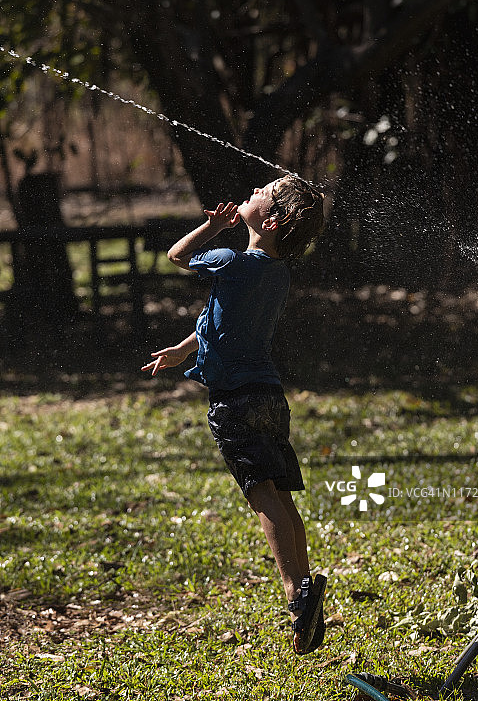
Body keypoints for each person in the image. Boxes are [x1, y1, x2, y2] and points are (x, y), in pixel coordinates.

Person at [142, 174, 326, 654]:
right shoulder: (276, 274)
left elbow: (176, 257)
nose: (249, 194)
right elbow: (225, 321)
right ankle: (305, 582)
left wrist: (212, 229)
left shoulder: (230, 261)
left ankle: (295, 592)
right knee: (281, 494)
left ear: (271, 219)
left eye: (258, 194)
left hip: (234, 402)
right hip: (269, 396)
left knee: (260, 493)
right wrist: (186, 350)